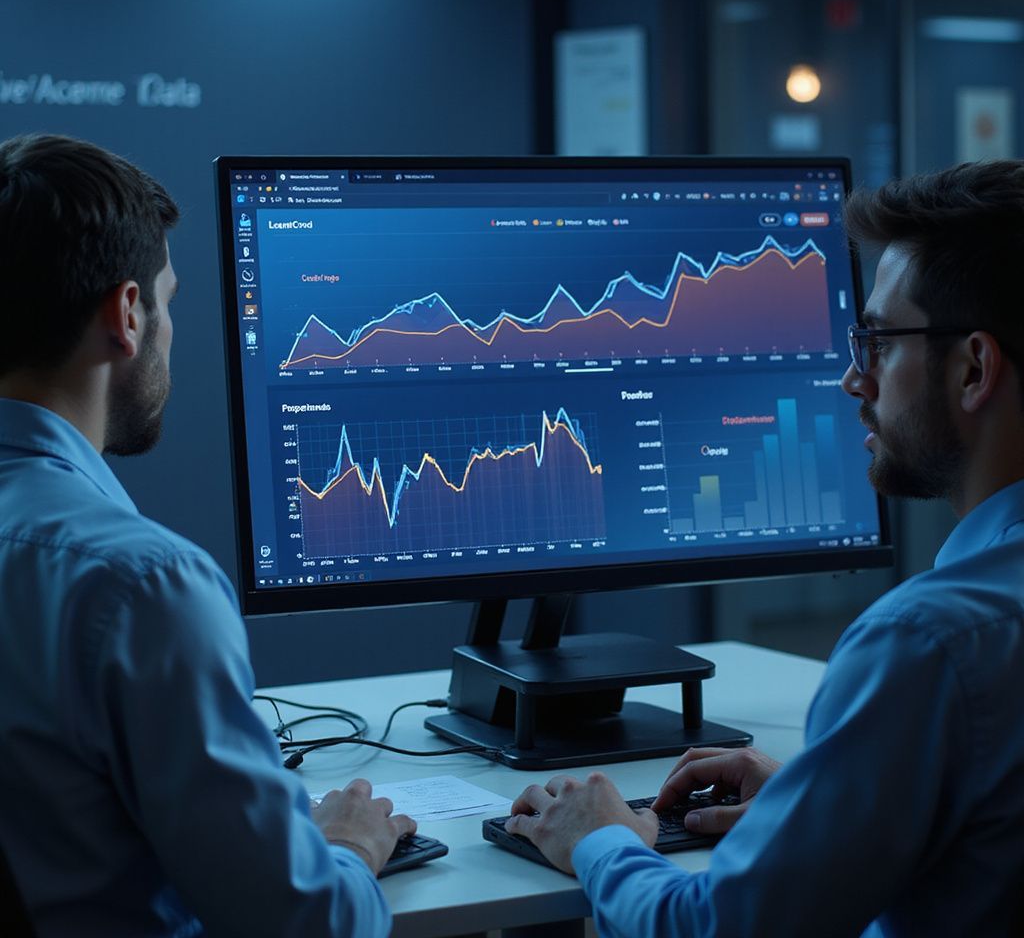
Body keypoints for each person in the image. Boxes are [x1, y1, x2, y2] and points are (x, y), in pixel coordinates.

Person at [505, 160, 1024, 937]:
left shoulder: (932, 643)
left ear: (974, 367)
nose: (854, 378)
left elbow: (717, 929)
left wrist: (602, 841)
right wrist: (830, 796)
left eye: (877, 340)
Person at [0, 134, 415, 937]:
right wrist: (350, 847)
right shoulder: (138, 586)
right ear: (127, 315)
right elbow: (305, 925)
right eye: (169, 298)